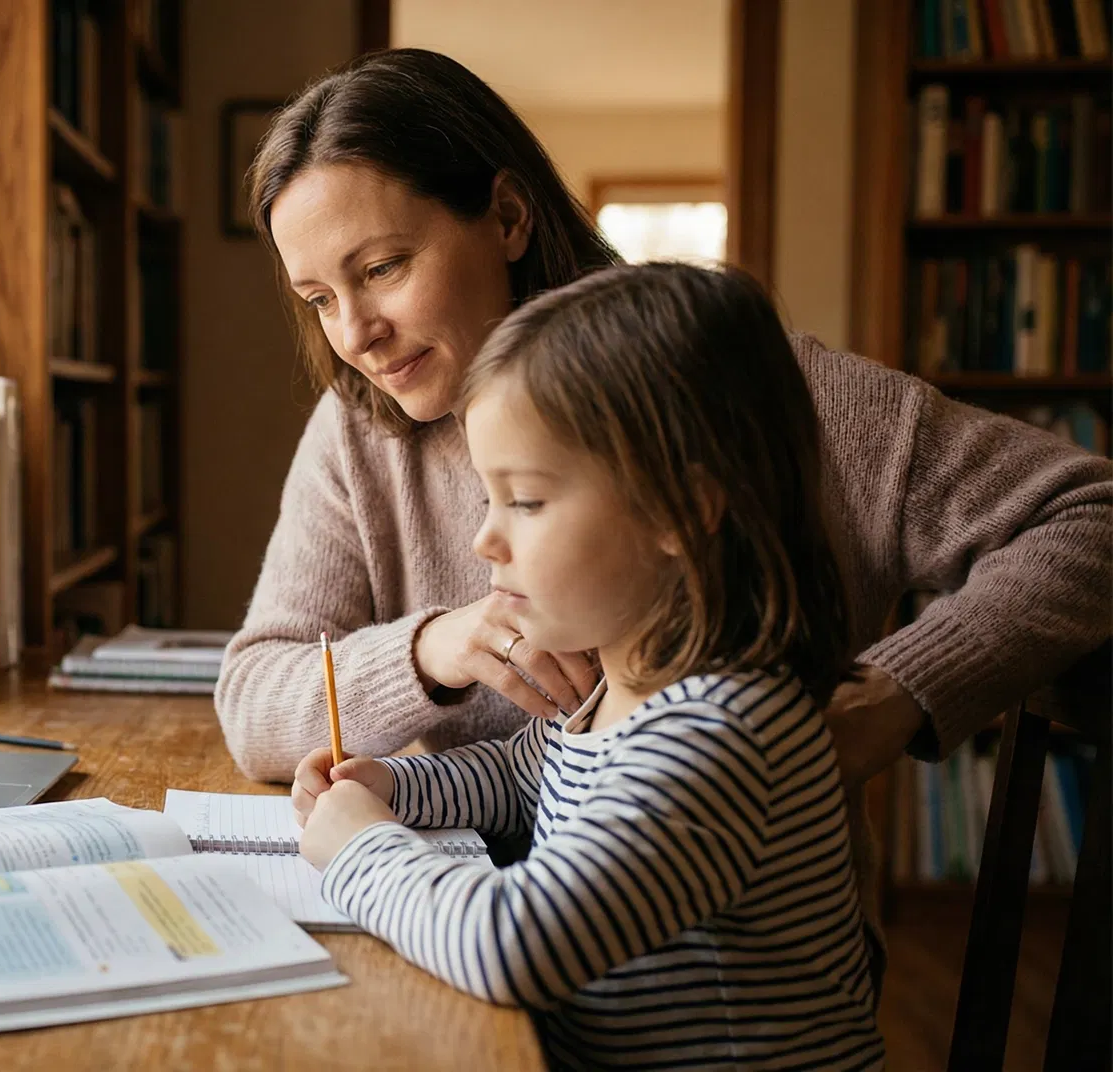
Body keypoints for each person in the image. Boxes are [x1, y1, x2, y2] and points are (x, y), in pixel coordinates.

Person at [218, 48, 1112, 810]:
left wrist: (899, 694)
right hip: (450, 931)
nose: (354, 334)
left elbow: (1091, 514)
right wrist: (433, 649)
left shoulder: (759, 391)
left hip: (709, 988)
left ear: (508, 217)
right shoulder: (359, 431)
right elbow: (254, 700)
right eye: (318, 299)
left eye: (382, 267)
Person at [293, 262, 882, 1067]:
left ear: (682, 510)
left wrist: (363, 848)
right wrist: (391, 788)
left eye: (525, 501)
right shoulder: (628, 688)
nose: (484, 540)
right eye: (488, 499)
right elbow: (518, 776)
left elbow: (516, 946)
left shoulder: (719, 734)